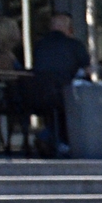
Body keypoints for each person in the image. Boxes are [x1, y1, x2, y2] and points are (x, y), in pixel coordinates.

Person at [22, 10, 89, 156]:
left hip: (36, 95)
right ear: (69, 29)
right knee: (73, 105)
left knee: (55, 109)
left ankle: (48, 137)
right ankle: (57, 139)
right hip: (64, 96)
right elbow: (88, 70)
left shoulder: (39, 46)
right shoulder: (74, 45)